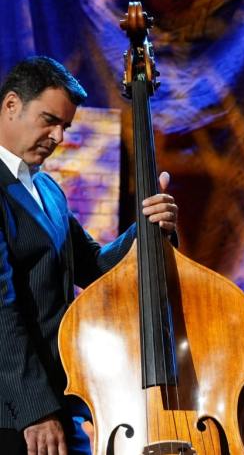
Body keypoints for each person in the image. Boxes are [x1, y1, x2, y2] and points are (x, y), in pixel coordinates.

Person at [0, 56, 179, 455]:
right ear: (11, 105)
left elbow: (96, 268)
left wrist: (149, 226)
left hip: (60, 401)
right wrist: (35, 411)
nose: (59, 137)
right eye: (49, 120)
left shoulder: (48, 189)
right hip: (15, 412)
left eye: (64, 125)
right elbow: (2, 311)